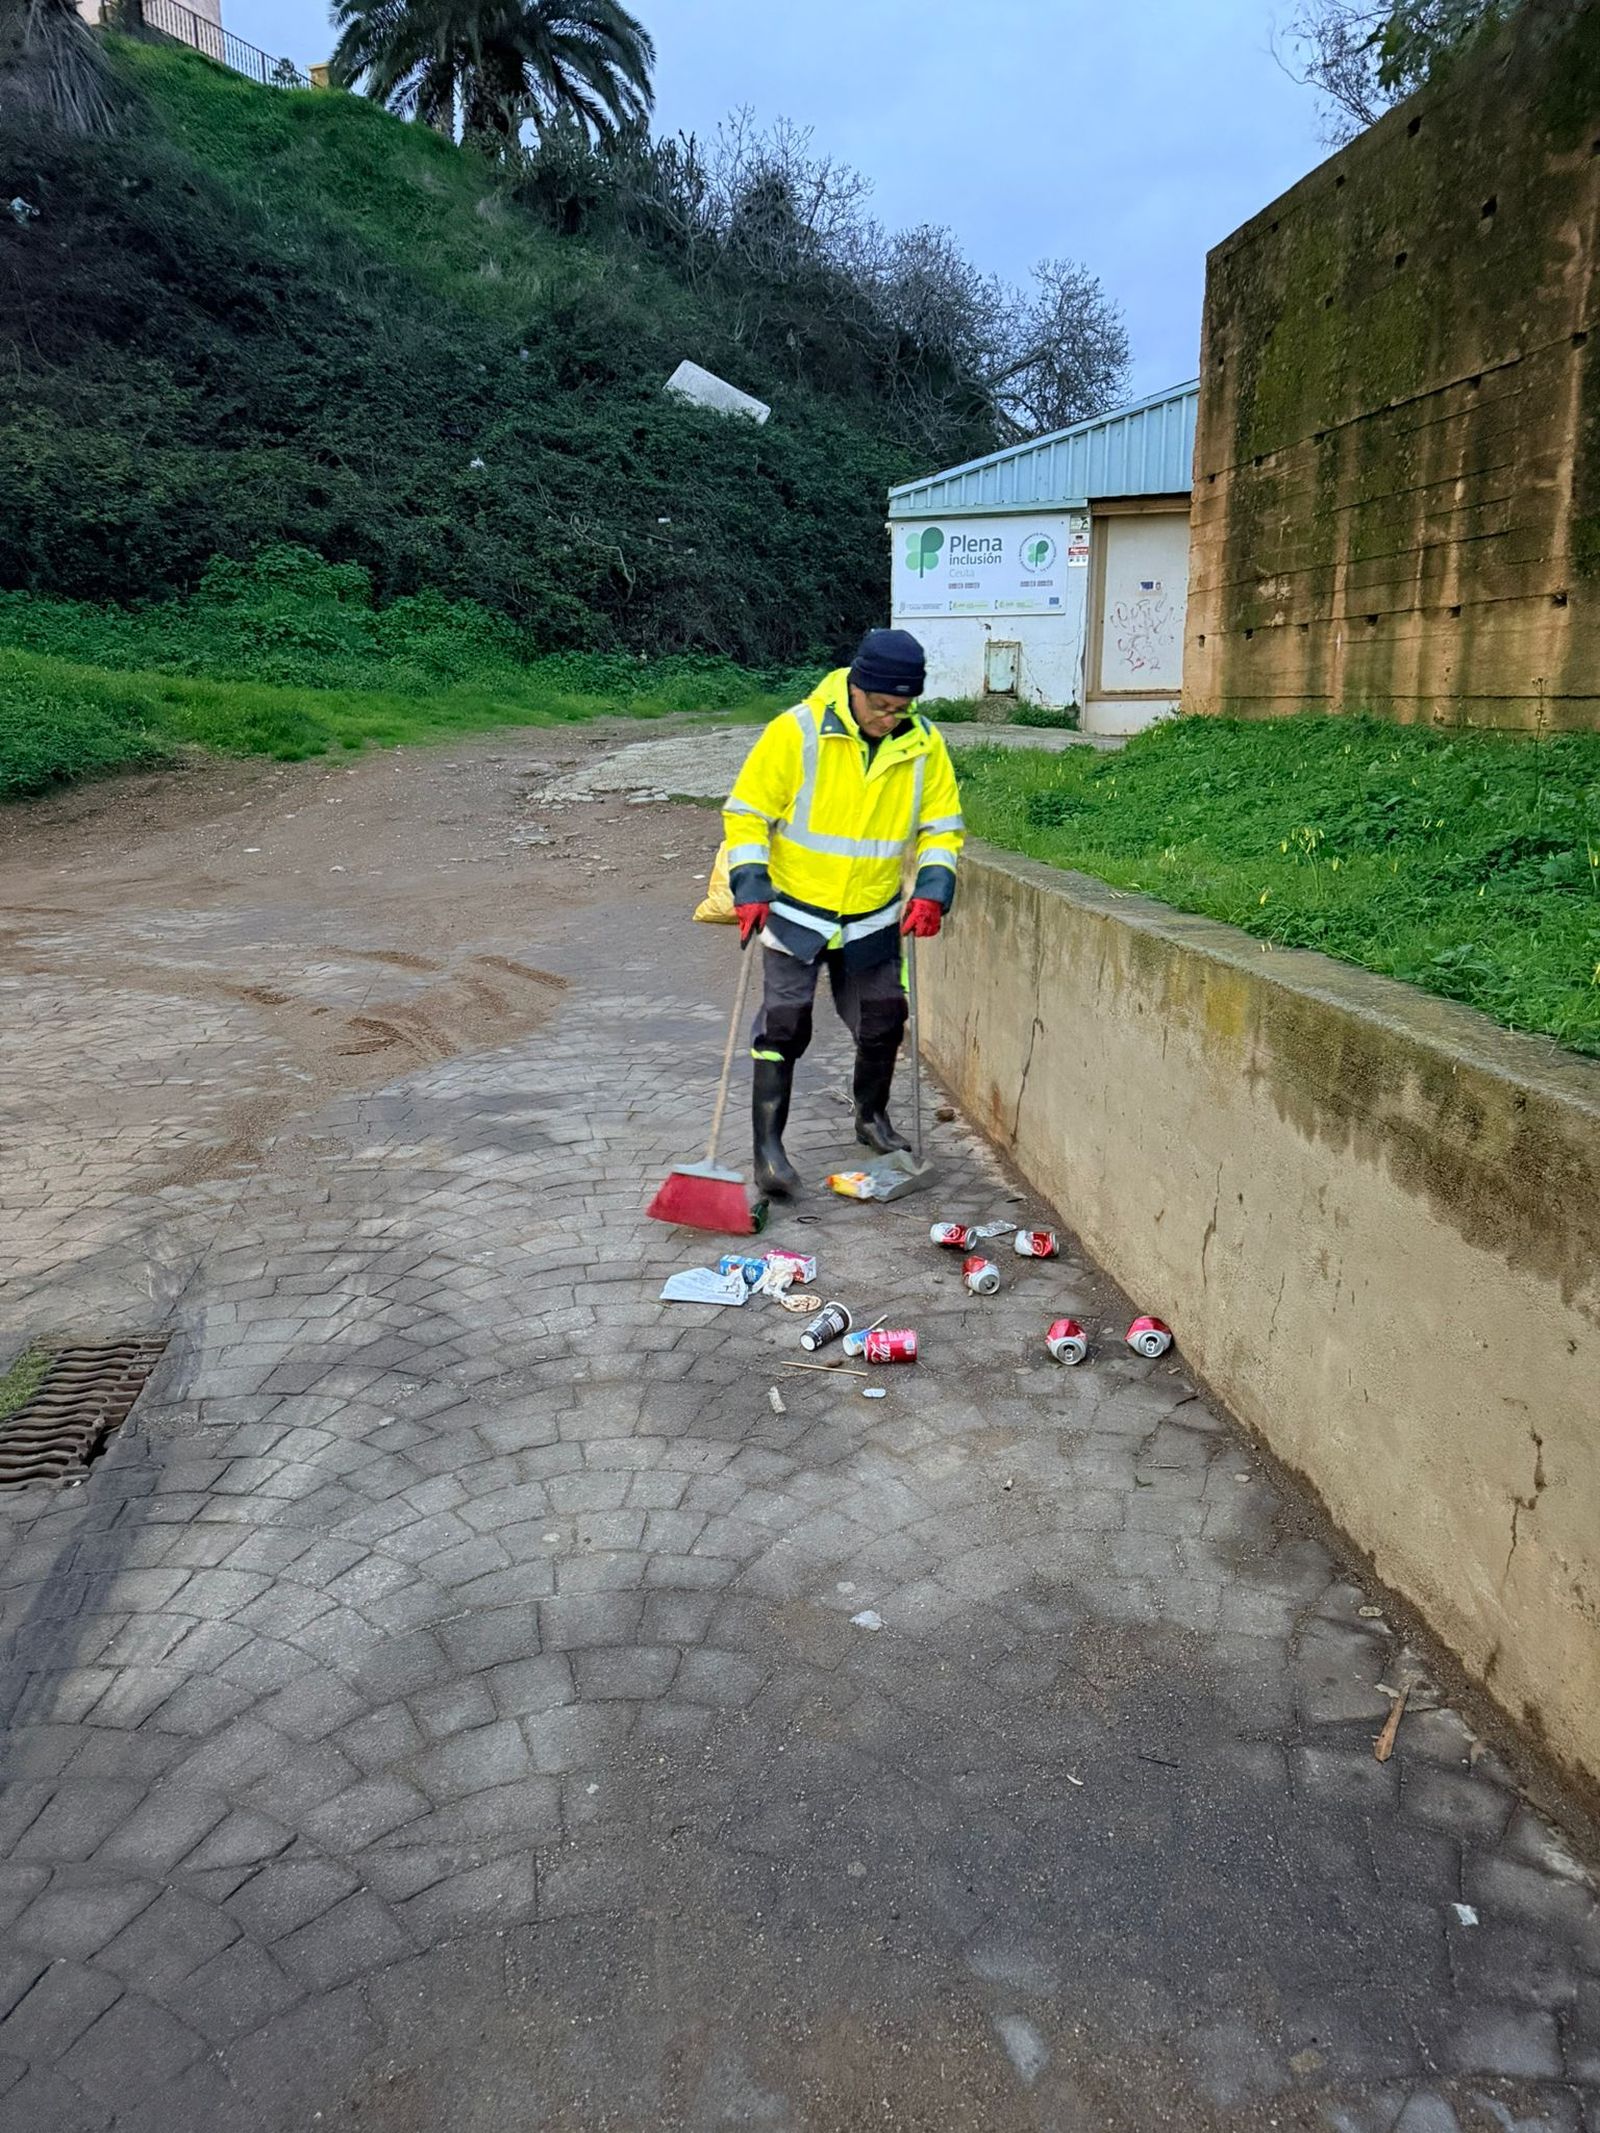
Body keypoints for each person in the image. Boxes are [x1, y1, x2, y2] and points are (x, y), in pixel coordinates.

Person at [721, 627, 964, 1197]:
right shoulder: (797, 732)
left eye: (903, 707)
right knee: (784, 1024)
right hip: (794, 911)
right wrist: (751, 883)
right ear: (856, 688)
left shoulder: (924, 746)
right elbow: (748, 813)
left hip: (873, 915)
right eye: (882, 705)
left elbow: (941, 828)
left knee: (884, 1019)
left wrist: (932, 888)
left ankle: (871, 1117)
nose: (891, 717)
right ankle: (768, 1151)